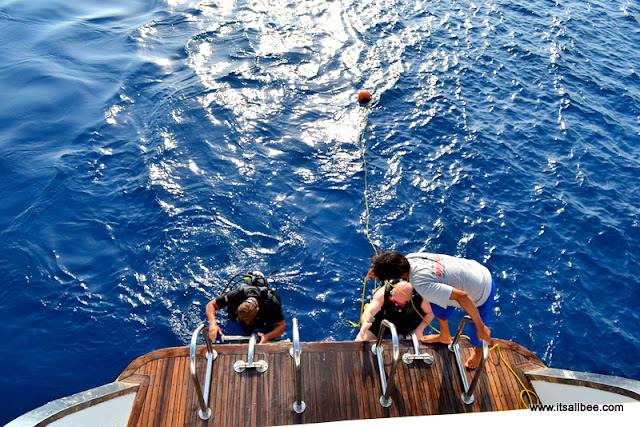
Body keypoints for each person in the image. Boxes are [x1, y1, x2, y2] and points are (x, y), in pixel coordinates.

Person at [367, 251, 496, 369]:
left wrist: (480, 326)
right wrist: (378, 272)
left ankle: (478, 353)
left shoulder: (423, 285)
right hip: (468, 271)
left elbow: (463, 297)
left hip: (482, 289)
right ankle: (444, 336)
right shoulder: (410, 258)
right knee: (437, 303)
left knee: (478, 334)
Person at [206, 272, 286, 344]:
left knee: (272, 334)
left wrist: (267, 337)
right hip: (246, 315)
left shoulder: (272, 301)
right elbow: (211, 305)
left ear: (257, 309)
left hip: (264, 318)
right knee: (244, 331)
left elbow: (281, 325)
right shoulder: (236, 295)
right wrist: (213, 324)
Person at [355, 279, 434, 341]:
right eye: (393, 299)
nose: (395, 303)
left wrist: (419, 330)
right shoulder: (383, 293)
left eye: (399, 303)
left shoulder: (422, 299)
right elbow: (369, 311)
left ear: (411, 297)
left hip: (408, 320)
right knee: (360, 340)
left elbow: (430, 313)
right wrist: (365, 322)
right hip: (386, 316)